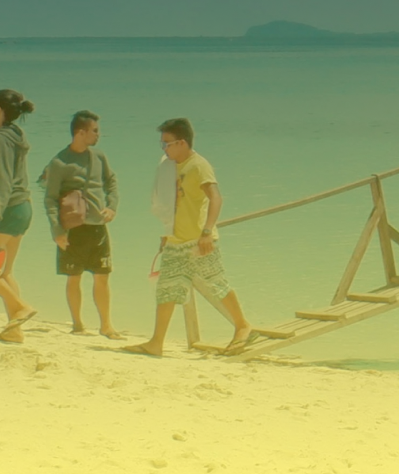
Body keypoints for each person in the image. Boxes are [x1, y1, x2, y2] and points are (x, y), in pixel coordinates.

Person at [125, 118, 252, 356]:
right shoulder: (169, 166)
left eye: (167, 143)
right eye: (162, 143)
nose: (164, 148)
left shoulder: (198, 166)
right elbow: (168, 203)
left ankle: (243, 326)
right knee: (166, 290)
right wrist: (166, 233)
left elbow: (216, 198)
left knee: (217, 284)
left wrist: (207, 232)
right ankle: (156, 343)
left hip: (198, 241)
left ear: (182, 143)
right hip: (175, 240)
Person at [39, 110, 120, 336]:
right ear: (80, 132)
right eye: (95, 131)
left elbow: (111, 182)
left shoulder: (99, 157)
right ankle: (77, 325)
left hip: (98, 227)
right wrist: (57, 231)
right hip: (72, 229)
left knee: (102, 276)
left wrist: (112, 206)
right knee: (74, 278)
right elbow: (50, 199)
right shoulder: (59, 162)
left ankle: (106, 325)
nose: (98, 135)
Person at [0, 89, 38, 342]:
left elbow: (2, 182)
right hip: (22, 208)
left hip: (8, 210)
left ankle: (21, 307)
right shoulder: (16, 133)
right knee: (5, 273)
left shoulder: (2, 140)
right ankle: (14, 331)